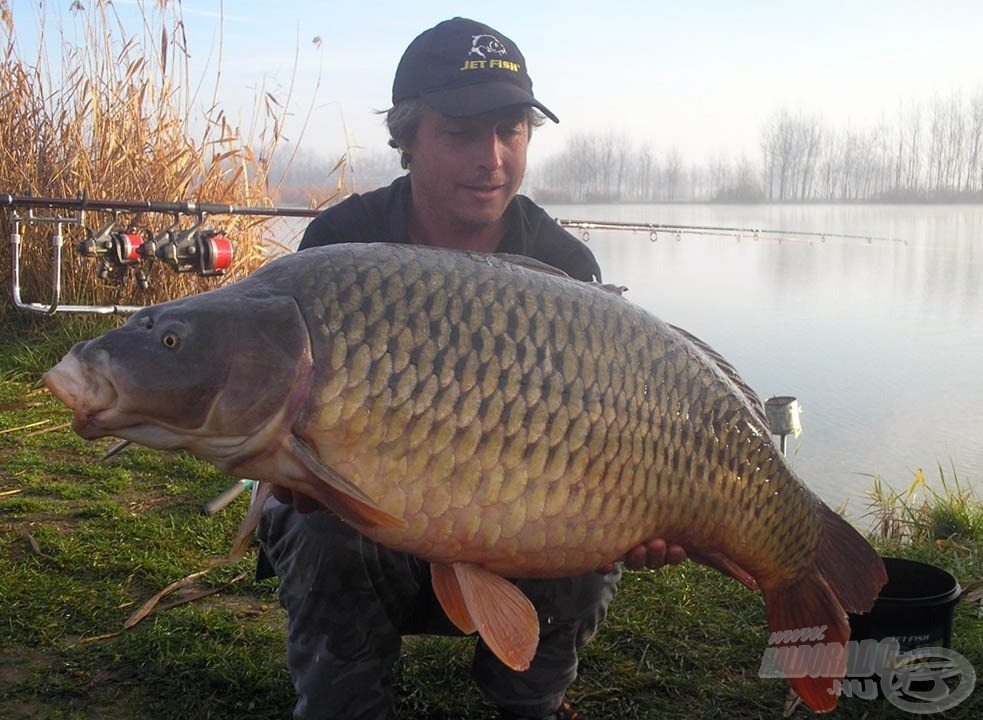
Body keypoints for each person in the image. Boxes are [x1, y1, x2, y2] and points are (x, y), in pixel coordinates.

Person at [257, 17, 685, 720]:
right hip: (369, 521)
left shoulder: (564, 266)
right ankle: (344, 702)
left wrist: (640, 514)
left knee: (586, 539)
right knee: (319, 529)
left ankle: (527, 702)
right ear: (407, 138)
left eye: (510, 131)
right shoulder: (340, 247)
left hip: (517, 519)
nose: (492, 158)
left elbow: (600, 440)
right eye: (461, 133)